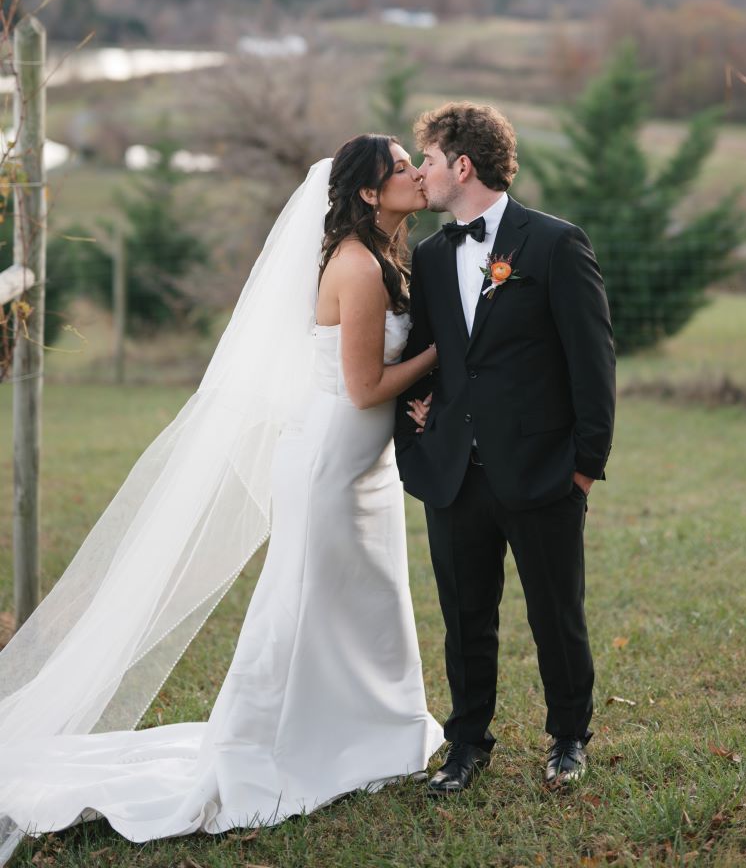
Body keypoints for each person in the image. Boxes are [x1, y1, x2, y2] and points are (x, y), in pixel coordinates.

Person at [0, 136, 443, 863]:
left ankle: (375, 732)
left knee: (360, 602)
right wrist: (442, 359)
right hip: (331, 464)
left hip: (363, 468)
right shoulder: (359, 267)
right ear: (368, 193)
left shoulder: (387, 256)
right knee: (304, 605)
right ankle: (268, 746)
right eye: (401, 167)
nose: (415, 174)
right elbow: (365, 387)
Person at [396, 102, 615, 793]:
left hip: (544, 471)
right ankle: (466, 746)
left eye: (425, 159)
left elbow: (593, 363)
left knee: (557, 612)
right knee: (464, 618)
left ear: (462, 165)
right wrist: (422, 435)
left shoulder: (554, 244)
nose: (419, 172)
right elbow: (427, 359)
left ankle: (568, 738)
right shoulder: (430, 258)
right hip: (455, 474)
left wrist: (583, 469)